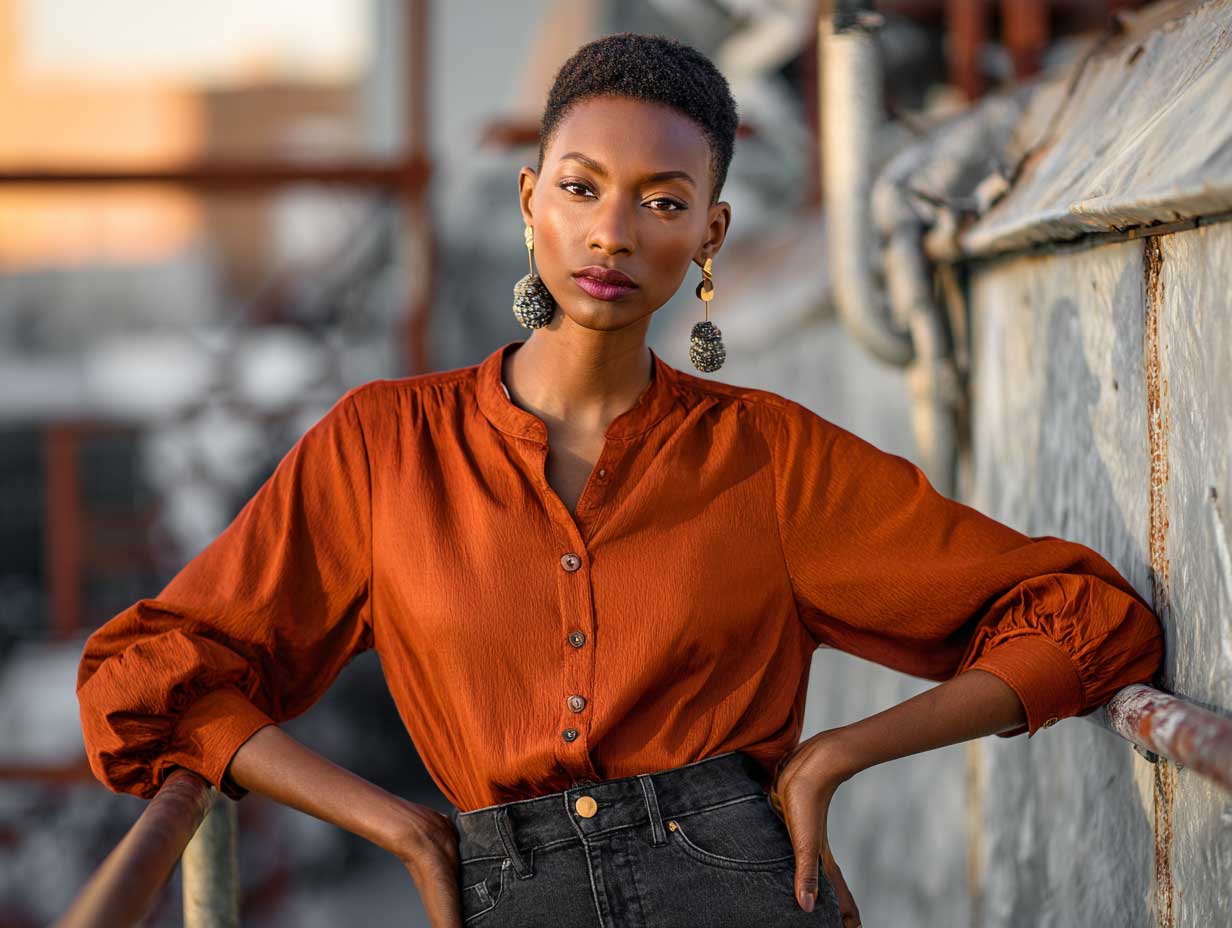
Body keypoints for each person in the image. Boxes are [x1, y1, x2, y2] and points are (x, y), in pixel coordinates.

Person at [76, 32, 1165, 928]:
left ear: (708, 231)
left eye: (660, 199)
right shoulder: (381, 447)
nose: (610, 231)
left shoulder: (768, 456)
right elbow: (149, 676)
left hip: (738, 881)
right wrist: (397, 823)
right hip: (498, 889)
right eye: (580, 187)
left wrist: (838, 752)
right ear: (528, 199)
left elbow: (1081, 620)